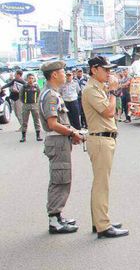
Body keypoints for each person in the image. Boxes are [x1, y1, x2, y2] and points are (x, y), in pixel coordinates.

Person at [81, 56, 128, 238]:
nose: (109, 73)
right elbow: (109, 112)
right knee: (102, 184)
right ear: (94, 69)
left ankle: (99, 220)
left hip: (104, 139)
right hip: (100, 139)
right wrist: (113, 92)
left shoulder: (98, 88)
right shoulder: (91, 89)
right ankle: (103, 225)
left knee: (101, 183)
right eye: (106, 70)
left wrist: (110, 91)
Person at [38, 60, 82, 234]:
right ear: (54, 74)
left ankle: (57, 216)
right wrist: (72, 133)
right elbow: (53, 123)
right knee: (60, 179)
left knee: (62, 178)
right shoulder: (50, 95)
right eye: (63, 72)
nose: (65, 74)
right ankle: (54, 219)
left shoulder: (53, 93)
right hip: (57, 142)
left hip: (60, 142)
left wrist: (72, 132)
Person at [19, 73, 43, 142]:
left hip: (34, 105)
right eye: (29, 78)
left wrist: (37, 102)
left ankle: (38, 135)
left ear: (34, 79)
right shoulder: (24, 87)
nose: (31, 80)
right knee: (24, 121)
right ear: (27, 79)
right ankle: (23, 136)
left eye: (32, 78)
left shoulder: (36, 86)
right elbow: (20, 96)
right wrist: (24, 102)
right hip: (26, 105)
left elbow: (39, 94)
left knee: (36, 120)